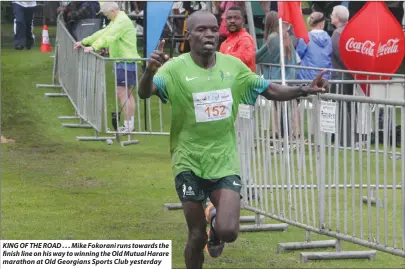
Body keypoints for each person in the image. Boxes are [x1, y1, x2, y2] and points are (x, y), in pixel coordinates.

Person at [138, 11, 328, 269]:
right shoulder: (174, 68)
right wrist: (149, 71)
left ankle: (216, 222)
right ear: (188, 35)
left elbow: (269, 89)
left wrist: (304, 89)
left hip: (224, 161)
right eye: (201, 30)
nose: (209, 35)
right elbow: (145, 92)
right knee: (195, 235)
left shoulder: (233, 67)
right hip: (188, 161)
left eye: (213, 30)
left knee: (229, 231)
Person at [73, 2, 141, 133]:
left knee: (122, 93)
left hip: (125, 61)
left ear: (112, 11)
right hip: (126, 61)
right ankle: (129, 125)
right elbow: (103, 32)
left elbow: (109, 37)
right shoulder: (118, 20)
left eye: (106, 14)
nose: (105, 16)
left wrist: (93, 47)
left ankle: (128, 125)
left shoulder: (120, 21)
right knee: (126, 94)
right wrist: (84, 41)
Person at [296, 12, 332, 81]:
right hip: (324, 79)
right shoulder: (329, 39)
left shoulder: (305, 37)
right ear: (322, 24)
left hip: (306, 78)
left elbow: (298, 56)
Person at [219, 6, 256, 72]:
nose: (232, 21)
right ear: (225, 21)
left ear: (243, 21)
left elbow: (239, 61)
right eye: (229, 18)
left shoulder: (245, 39)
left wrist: (219, 58)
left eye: (236, 18)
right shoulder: (224, 44)